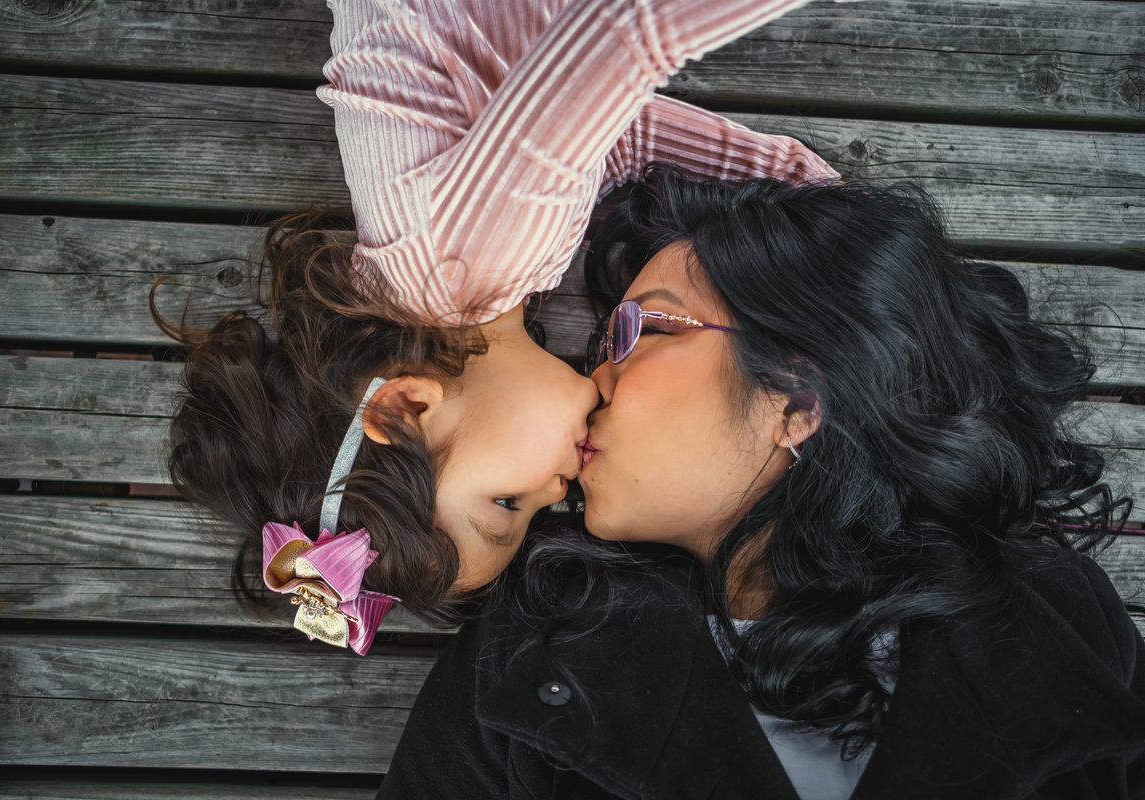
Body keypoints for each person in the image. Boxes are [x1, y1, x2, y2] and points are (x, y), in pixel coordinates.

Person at [377, 167, 1145, 799]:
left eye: (643, 329)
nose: (593, 379)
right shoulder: (525, 652)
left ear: (798, 401)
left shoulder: (1061, 617)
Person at [159, 0, 841, 644]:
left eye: (508, 504)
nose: (557, 489)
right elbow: (617, 140)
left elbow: (630, 31)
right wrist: (809, 201)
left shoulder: (471, 253)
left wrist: (816, 209)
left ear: (405, 405)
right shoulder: (456, 279)